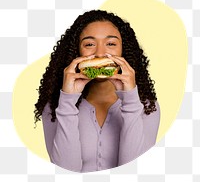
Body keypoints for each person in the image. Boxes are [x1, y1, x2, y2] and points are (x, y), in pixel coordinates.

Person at [34, 10, 160, 173]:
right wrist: (68, 100)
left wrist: (130, 99)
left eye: (111, 44)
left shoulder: (147, 106)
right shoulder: (54, 106)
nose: (100, 54)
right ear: (77, 52)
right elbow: (64, 171)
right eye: (89, 44)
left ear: (124, 50)